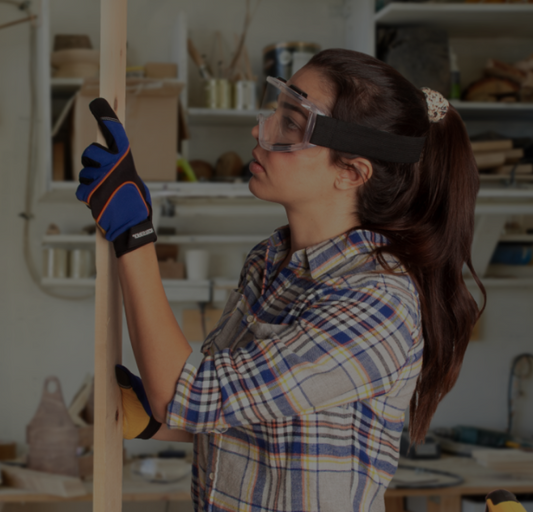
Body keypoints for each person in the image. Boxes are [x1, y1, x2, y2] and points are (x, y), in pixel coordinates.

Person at [75, 48, 484, 511]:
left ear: (351, 172)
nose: (260, 130)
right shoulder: (270, 262)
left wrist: (135, 235)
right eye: (276, 111)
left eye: (291, 123)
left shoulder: (377, 301)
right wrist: (156, 418)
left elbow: (190, 393)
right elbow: (248, 415)